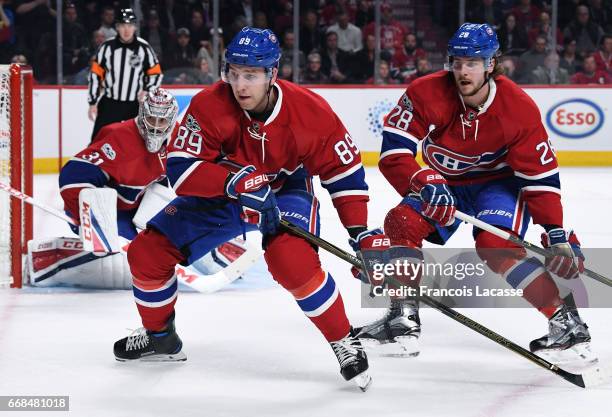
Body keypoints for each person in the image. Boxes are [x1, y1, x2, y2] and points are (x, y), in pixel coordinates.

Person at [113, 27, 373, 391]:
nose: (240, 85)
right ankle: (160, 338)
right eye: (233, 73)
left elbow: (344, 175)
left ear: (272, 73)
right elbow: (181, 169)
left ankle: (343, 339)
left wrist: (359, 231)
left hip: (284, 192)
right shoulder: (208, 104)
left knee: (292, 262)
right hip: (223, 194)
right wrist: (234, 183)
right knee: (146, 252)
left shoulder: (310, 113)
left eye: (250, 75)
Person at [362, 23, 594, 363]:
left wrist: (554, 231)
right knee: (401, 222)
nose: (462, 71)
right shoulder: (425, 92)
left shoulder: (518, 108)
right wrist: (423, 179)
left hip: (497, 185)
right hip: (443, 182)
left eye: (472, 63)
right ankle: (402, 317)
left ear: (490, 64)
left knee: (495, 245)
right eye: (457, 62)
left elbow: (539, 176)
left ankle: (566, 321)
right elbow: (393, 153)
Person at [88, 8, 163, 142]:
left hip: (134, 105)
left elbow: (156, 73)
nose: (126, 30)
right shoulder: (107, 47)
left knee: (137, 143)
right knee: (97, 141)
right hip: (110, 103)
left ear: (135, 27)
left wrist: (147, 89)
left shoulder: (143, 48)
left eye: (130, 25)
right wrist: (93, 102)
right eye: (123, 26)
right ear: (117, 27)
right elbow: (95, 74)